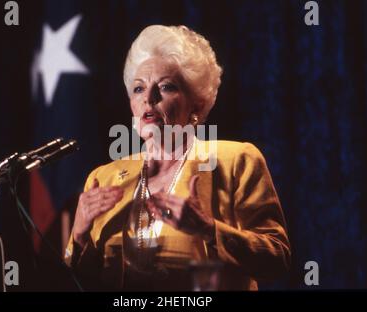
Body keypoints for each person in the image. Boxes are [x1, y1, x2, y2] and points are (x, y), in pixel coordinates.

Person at [64, 25, 290, 291]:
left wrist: (208, 229)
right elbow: (79, 282)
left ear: (196, 105)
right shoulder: (104, 178)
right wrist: (78, 237)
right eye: (138, 89)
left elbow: (276, 259)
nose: (148, 98)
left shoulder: (236, 160)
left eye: (166, 87)